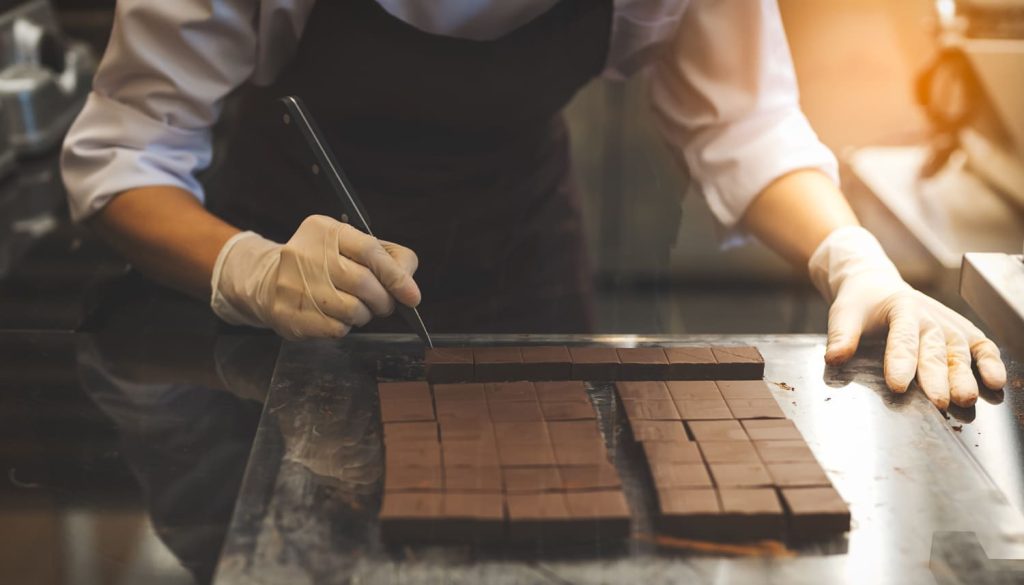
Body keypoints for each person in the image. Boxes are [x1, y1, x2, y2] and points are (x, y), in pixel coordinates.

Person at [61, 0, 1006, 410]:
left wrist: (854, 258)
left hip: (524, 258)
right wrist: (250, 269)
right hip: (281, 283)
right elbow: (121, 158)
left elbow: (744, 123)